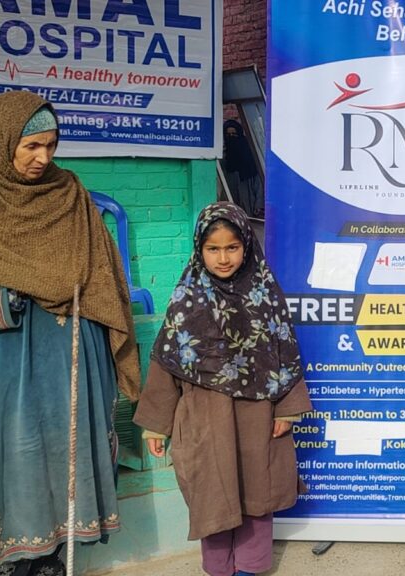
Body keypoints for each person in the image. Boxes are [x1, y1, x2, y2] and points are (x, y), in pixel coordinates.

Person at [0, 90, 141, 576]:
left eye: (51, 145)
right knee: (13, 466)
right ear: (2, 143)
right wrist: (9, 294)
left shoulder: (70, 195)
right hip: (6, 370)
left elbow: (103, 273)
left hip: (71, 358)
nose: (43, 157)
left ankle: (55, 564)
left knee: (69, 462)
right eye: (32, 146)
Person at [133, 202, 311, 576]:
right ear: (199, 249)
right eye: (213, 249)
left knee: (257, 492)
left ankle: (250, 567)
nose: (223, 258)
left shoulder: (266, 295)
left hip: (256, 416)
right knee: (211, 493)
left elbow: (286, 351)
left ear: (247, 245)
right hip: (204, 418)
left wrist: (287, 408)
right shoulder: (186, 300)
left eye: (232, 247)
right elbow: (166, 362)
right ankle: (218, 569)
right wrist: (157, 426)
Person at [220, 119, 264, 218]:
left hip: (250, 208)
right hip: (230, 208)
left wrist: (258, 206)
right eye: (228, 135)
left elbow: (258, 184)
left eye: (234, 134)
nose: (231, 138)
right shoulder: (224, 160)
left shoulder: (250, 158)